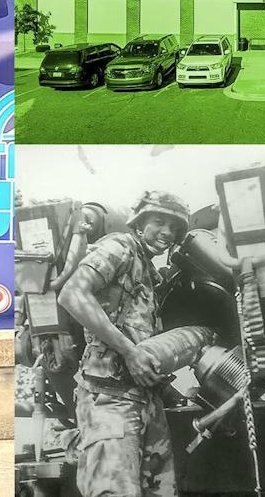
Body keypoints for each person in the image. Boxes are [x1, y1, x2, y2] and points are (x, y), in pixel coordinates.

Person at [57, 190, 211, 497]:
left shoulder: (149, 273)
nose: (167, 232)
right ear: (139, 224)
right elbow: (72, 293)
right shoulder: (120, 246)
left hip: (143, 399)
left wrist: (167, 389)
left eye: (174, 227)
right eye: (158, 221)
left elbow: (141, 336)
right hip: (108, 399)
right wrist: (130, 352)